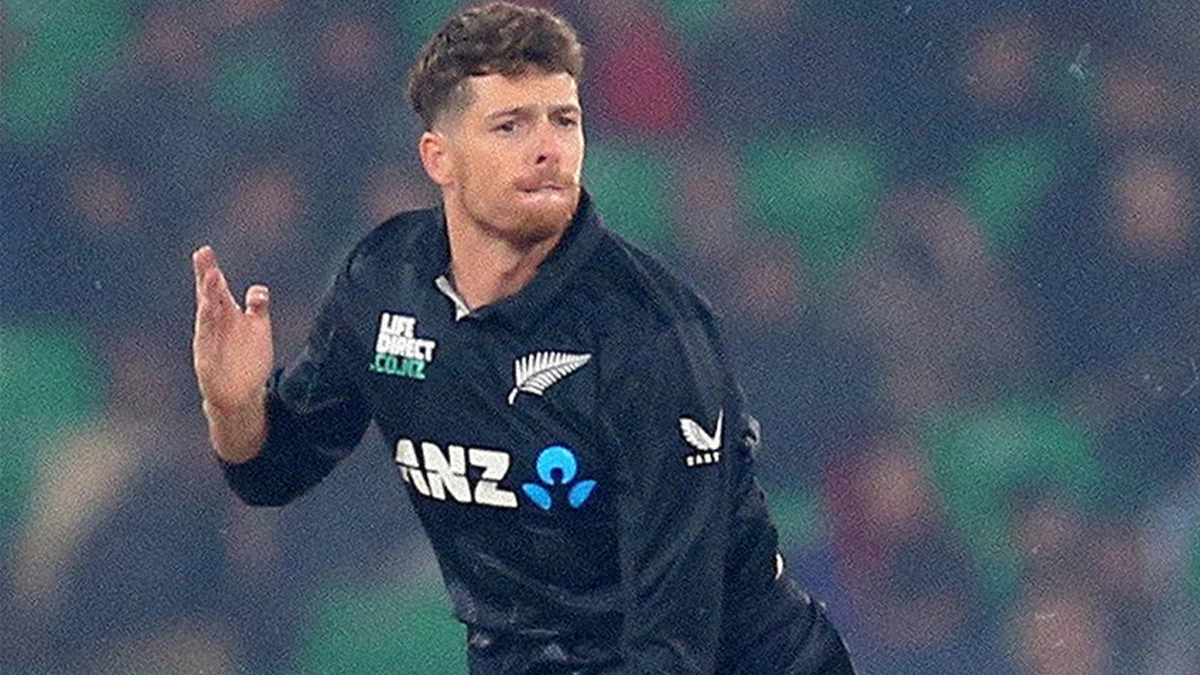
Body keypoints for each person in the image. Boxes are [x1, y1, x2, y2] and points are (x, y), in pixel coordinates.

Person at [191, 3, 855, 673]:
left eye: (564, 120)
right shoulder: (384, 282)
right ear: (439, 158)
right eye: (510, 125)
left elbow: (674, 643)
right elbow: (272, 472)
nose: (548, 148)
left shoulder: (649, 333)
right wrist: (233, 405)